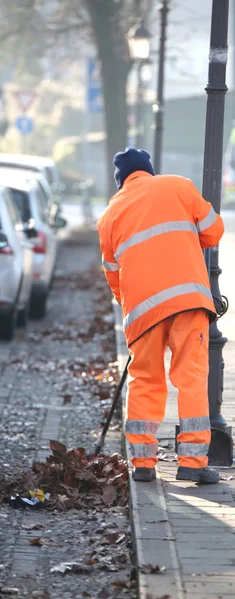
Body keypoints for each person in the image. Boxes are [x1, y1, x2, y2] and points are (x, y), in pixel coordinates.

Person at [97, 147, 224, 484]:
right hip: (187, 302)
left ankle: (142, 464)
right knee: (191, 378)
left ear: (121, 181)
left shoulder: (109, 216)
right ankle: (193, 463)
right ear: (149, 170)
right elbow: (213, 231)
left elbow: (113, 275)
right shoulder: (178, 186)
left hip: (142, 313)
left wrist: (133, 312)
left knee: (145, 383)